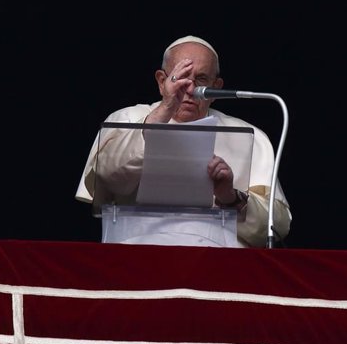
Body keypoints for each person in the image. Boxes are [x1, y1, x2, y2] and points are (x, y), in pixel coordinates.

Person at [75, 35, 291, 247]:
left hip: (219, 266)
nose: (190, 89)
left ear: (216, 86)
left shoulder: (248, 135)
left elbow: (277, 226)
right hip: (135, 257)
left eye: (201, 79)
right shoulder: (126, 119)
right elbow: (108, 176)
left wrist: (230, 197)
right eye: (180, 78)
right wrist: (164, 109)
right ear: (162, 81)